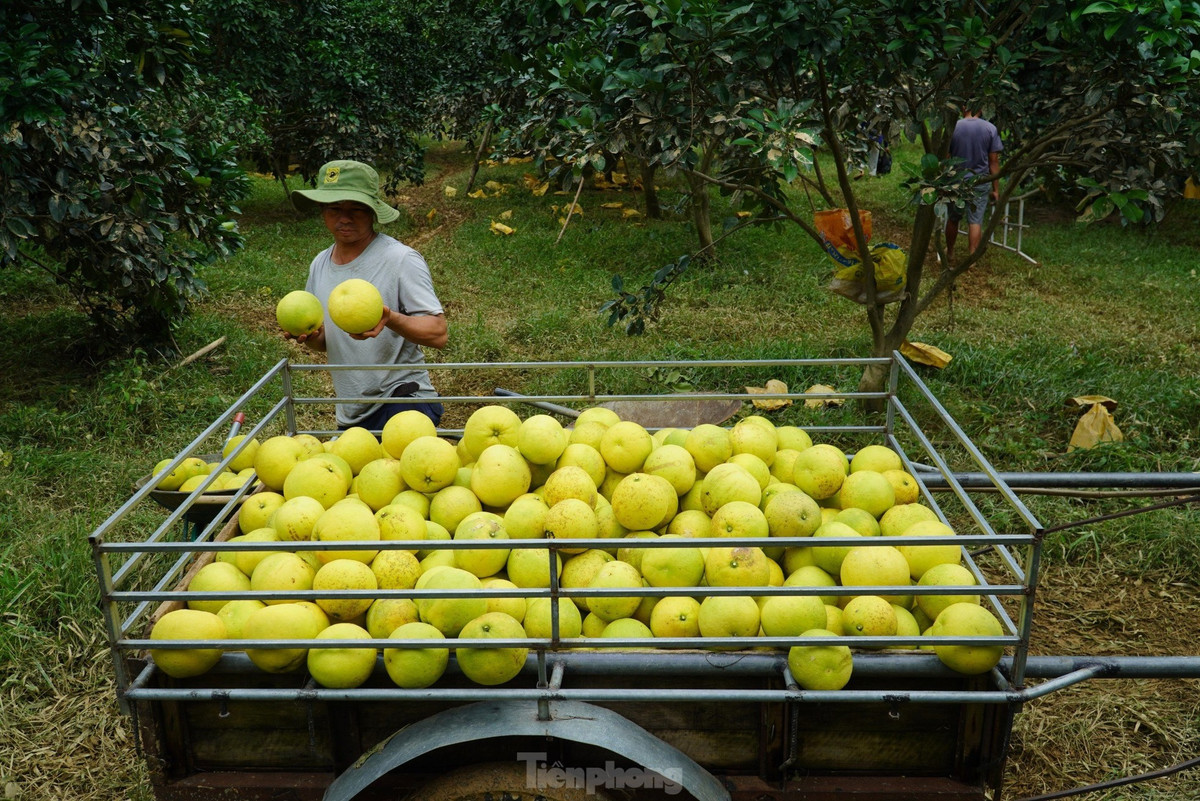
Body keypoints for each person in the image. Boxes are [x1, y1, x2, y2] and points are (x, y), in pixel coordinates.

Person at [287, 159, 448, 430]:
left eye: (356, 209)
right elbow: (327, 341)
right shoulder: (320, 264)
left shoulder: (400, 259)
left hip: (403, 400)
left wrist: (389, 318)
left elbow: (438, 333)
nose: (344, 218)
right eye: (334, 208)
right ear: (323, 211)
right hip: (351, 411)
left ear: (373, 212)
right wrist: (310, 337)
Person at [944, 108, 1002, 264]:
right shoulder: (990, 128)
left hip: (956, 180)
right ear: (981, 109)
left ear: (963, 108)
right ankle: (972, 257)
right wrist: (996, 189)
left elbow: (946, 158)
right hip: (979, 181)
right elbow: (993, 162)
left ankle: (950, 252)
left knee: (953, 219)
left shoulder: (953, 127)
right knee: (975, 220)